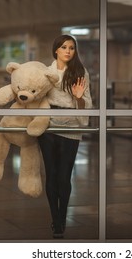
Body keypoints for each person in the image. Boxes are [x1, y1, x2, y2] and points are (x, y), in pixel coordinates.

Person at [38, 34, 92, 239]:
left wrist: (78, 98)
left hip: (71, 129)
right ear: (56, 51)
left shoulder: (80, 72)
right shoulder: (46, 73)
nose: (68, 51)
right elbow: (37, 97)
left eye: (71, 47)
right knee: (51, 174)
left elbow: (86, 104)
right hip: (49, 128)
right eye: (64, 47)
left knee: (64, 176)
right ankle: (56, 221)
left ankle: (62, 216)